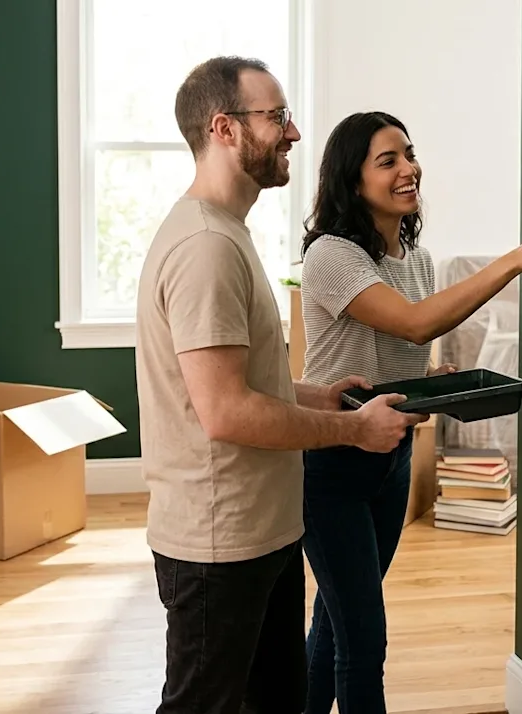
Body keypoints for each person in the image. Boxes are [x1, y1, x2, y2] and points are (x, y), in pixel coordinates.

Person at [134, 60, 427, 714]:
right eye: (276, 117)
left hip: (263, 528)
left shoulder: (226, 234)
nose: (293, 132)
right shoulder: (205, 246)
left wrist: (314, 395)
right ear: (224, 129)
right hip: (219, 541)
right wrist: (354, 428)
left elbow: (235, 383)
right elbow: (225, 411)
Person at [296, 110, 522, 713]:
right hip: (332, 463)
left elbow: (398, 351)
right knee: (363, 639)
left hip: (391, 459)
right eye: (388, 161)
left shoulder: (416, 257)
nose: (409, 168)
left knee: (337, 621)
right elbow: (415, 322)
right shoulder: (331, 255)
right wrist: (515, 259)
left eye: (409, 154)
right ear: (352, 181)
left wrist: (428, 380)